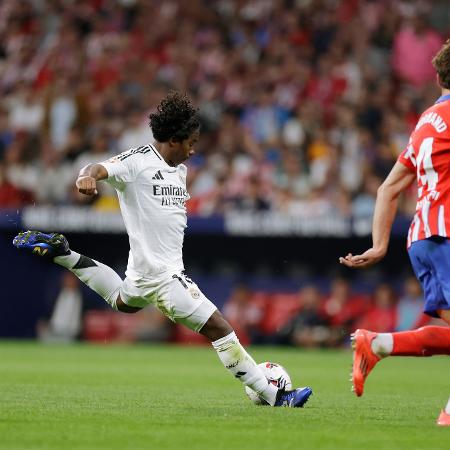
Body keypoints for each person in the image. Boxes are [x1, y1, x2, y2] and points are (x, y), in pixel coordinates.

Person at [13, 92, 312, 408]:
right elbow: (96, 167)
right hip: (164, 275)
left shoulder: (179, 170)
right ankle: (278, 396)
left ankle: (63, 254)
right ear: (173, 139)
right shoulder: (138, 160)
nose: (193, 149)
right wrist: (85, 177)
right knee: (219, 327)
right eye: (190, 142)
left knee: (123, 302)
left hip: (142, 270)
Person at [339, 40, 450, 426]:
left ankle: (379, 343)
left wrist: (380, 244)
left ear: (437, 77)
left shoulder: (426, 121)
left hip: (424, 238)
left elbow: (389, 187)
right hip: (446, 235)